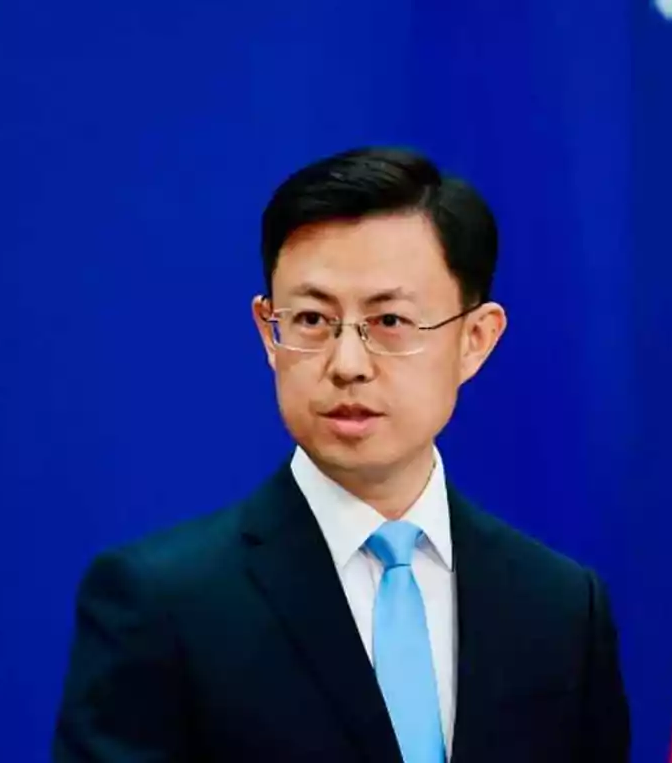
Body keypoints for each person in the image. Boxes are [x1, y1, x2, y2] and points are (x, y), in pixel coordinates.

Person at [52, 147, 630, 762]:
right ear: (266, 332)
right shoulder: (162, 602)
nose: (346, 365)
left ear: (475, 340)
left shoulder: (561, 608)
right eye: (310, 319)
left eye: (389, 321)